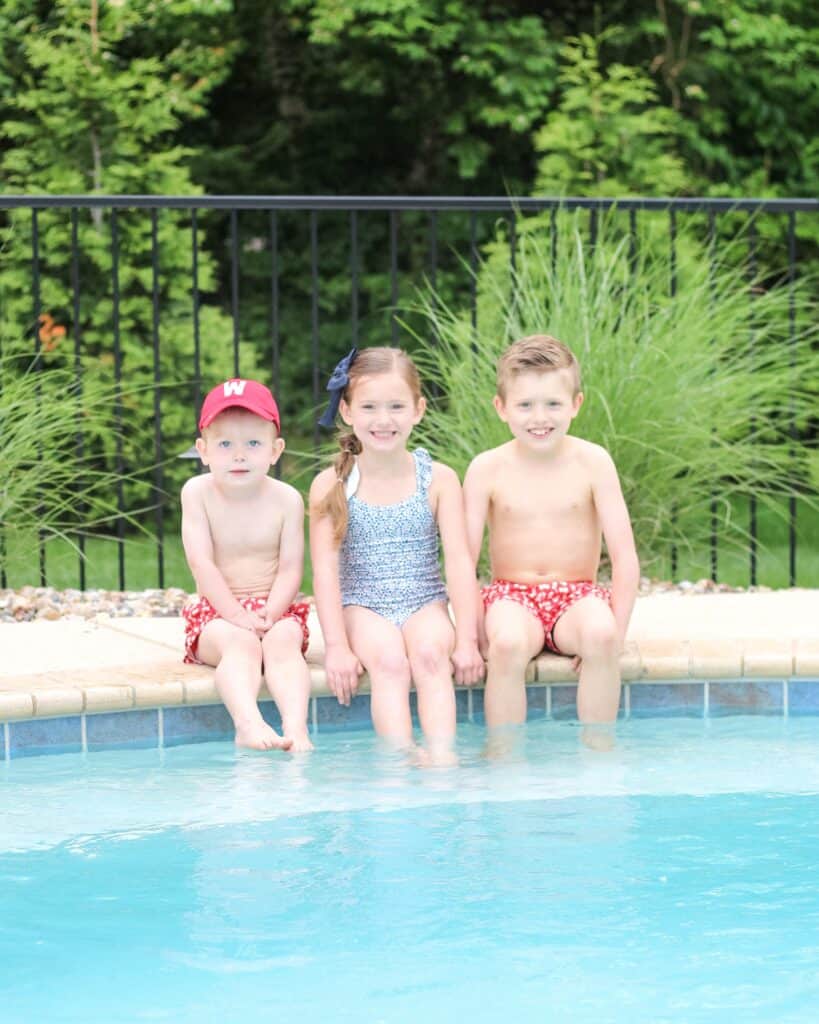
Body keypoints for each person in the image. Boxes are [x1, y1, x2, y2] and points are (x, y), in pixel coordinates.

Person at [309, 346, 484, 764]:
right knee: (389, 660)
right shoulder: (332, 484)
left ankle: (442, 759)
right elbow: (325, 574)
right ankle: (402, 759)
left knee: (428, 655)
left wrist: (468, 640)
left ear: (418, 410)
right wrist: (336, 647)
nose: (383, 419)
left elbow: (459, 562)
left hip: (424, 601)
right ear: (347, 411)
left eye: (396, 406)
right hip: (363, 606)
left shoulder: (438, 479)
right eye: (369, 406)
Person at [463, 334, 640, 733]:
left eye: (553, 404)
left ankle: (598, 754)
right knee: (507, 644)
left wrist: (617, 634)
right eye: (525, 405)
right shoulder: (487, 468)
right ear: (501, 408)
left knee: (600, 633)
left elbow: (626, 557)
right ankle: (505, 759)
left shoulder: (593, 462)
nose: (539, 418)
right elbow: (464, 559)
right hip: (511, 595)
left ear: (575, 405)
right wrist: (474, 632)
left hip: (576, 597)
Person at [181, 378, 313, 752]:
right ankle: (248, 722)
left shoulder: (287, 499)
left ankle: (296, 729)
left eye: (253, 443)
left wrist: (271, 613)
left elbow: (290, 568)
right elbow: (201, 563)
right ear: (203, 451)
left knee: (284, 640)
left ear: (276, 450)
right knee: (241, 645)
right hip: (217, 612)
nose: (239, 455)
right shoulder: (198, 493)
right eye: (225, 445)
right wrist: (237, 616)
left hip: (273, 606)